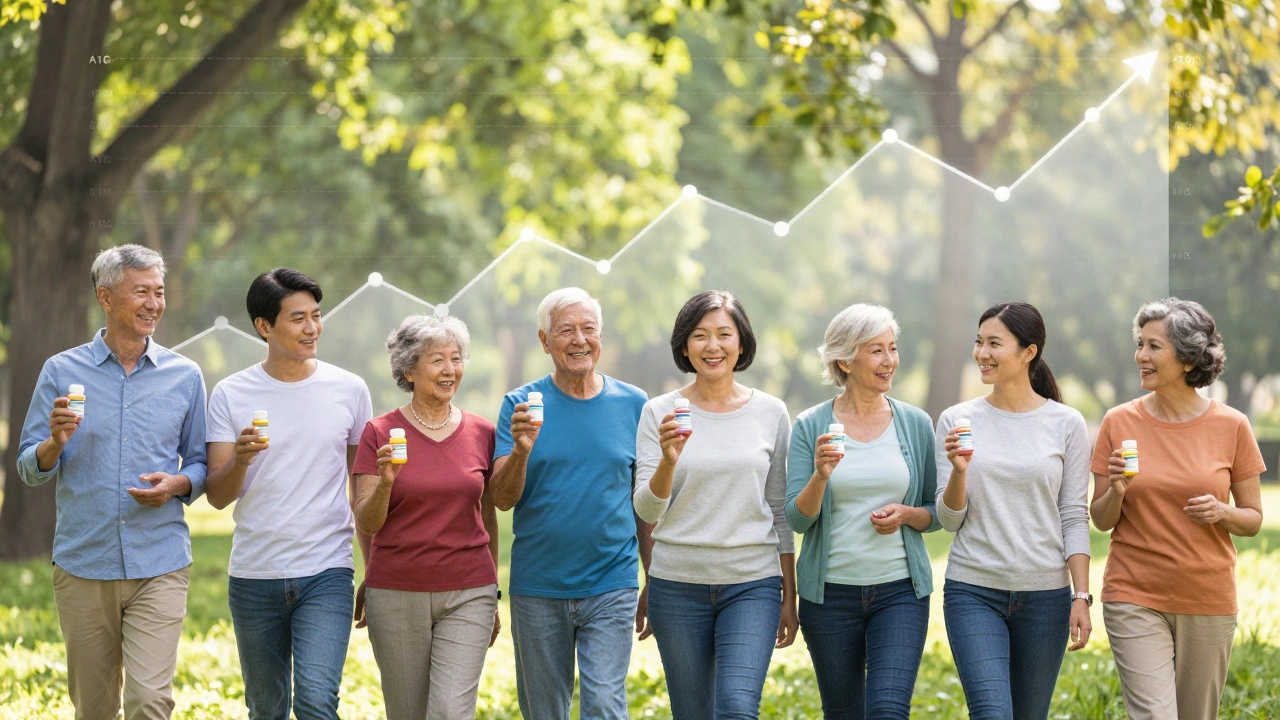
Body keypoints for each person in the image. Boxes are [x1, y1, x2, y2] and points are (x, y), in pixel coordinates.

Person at [16, 244, 207, 720]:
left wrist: (179, 484)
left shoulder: (185, 376)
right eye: (140, 291)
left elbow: (202, 462)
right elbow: (27, 466)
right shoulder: (61, 371)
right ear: (105, 296)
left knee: (149, 702)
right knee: (95, 709)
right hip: (84, 563)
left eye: (158, 292)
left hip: (159, 561)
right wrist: (54, 444)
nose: (153, 304)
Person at [204, 268, 372, 720]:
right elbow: (217, 497)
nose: (312, 328)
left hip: (327, 571)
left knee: (317, 701)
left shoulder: (349, 390)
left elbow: (362, 488)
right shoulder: (230, 394)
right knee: (266, 708)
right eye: (298, 318)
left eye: (316, 316)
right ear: (264, 326)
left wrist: (372, 568)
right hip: (255, 574)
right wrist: (239, 459)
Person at [1090, 298, 1265, 720]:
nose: (1141, 356)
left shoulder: (1232, 425)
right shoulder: (1118, 422)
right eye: (1140, 344)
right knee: (1155, 715)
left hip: (1207, 597)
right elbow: (1100, 518)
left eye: (1154, 347)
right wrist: (1116, 491)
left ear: (1187, 359)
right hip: (1134, 593)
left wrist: (1222, 513)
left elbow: (1254, 519)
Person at [633, 290, 797, 719]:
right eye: (700, 335)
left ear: (741, 343)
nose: (713, 346)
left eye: (725, 334)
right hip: (677, 586)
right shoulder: (658, 413)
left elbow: (778, 509)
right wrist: (669, 461)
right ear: (685, 345)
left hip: (752, 583)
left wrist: (789, 595)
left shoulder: (771, 413)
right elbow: (648, 511)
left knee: (738, 708)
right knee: (692, 713)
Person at [490, 287, 651, 720]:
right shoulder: (518, 405)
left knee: (604, 704)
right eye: (565, 331)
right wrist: (522, 448)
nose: (579, 339)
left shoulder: (635, 405)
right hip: (539, 585)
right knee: (544, 711)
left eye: (588, 329)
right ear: (545, 341)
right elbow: (502, 500)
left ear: (601, 336)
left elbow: (645, 503)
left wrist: (652, 576)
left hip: (612, 581)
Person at [935, 301, 1092, 720]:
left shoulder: (1067, 424)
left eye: (994, 343)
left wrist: (1081, 596)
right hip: (973, 589)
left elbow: (1074, 515)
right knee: (991, 712)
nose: (982, 353)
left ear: (1029, 352)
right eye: (978, 342)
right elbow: (949, 520)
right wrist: (959, 472)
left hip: (1047, 599)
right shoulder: (957, 419)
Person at [785, 303, 940, 719]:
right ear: (845, 360)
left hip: (900, 593)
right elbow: (798, 520)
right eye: (876, 350)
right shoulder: (809, 425)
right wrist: (820, 476)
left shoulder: (916, 423)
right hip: (829, 597)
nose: (890, 360)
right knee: (843, 713)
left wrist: (907, 515)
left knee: (889, 710)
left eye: (892, 348)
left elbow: (935, 511)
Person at [351, 314, 501, 720]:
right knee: (407, 713)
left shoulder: (483, 432)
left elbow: (488, 519)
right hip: (397, 591)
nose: (450, 369)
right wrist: (386, 482)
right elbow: (366, 521)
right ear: (408, 370)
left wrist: (494, 592)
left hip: (470, 590)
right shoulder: (379, 433)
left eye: (456, 358)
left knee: (451, 711)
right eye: (437, 360)